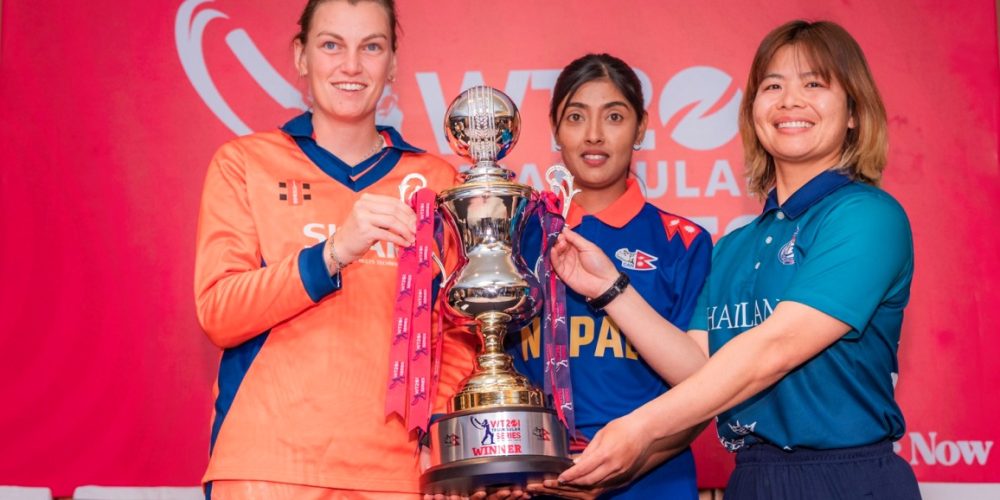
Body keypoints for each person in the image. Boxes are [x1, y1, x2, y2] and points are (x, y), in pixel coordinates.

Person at [549, 21, 920, 500]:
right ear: (753, 111)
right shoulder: (734, 246)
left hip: (847, 479)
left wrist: (639, 428)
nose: (790, 101)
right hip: (751, 477)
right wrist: (609, 288)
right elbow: (699, 370)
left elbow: (774, 349)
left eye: (813, 84)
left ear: (853, 111)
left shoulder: (868, 216)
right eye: (773, 86)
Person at [193, 1, 473, 498]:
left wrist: (438, 430)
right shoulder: (244, 163)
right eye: (331, 45)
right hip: (267, 469)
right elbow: (220, 311)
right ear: (301, 56)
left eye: (371, 47)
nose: (351, 65)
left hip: (396, 476)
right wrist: (333, 252)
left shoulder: (436, 181)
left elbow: (458, 331)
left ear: (392, 62)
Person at [506, 53, 713, 499]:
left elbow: (705, 390)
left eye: (614, 116)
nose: (594, 134)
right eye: (576, 117)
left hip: (652, 484)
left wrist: (626, 466)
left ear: (641, 128)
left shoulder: (683, 243)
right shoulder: (517, 236)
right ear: (555, 129)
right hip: (534, 480)